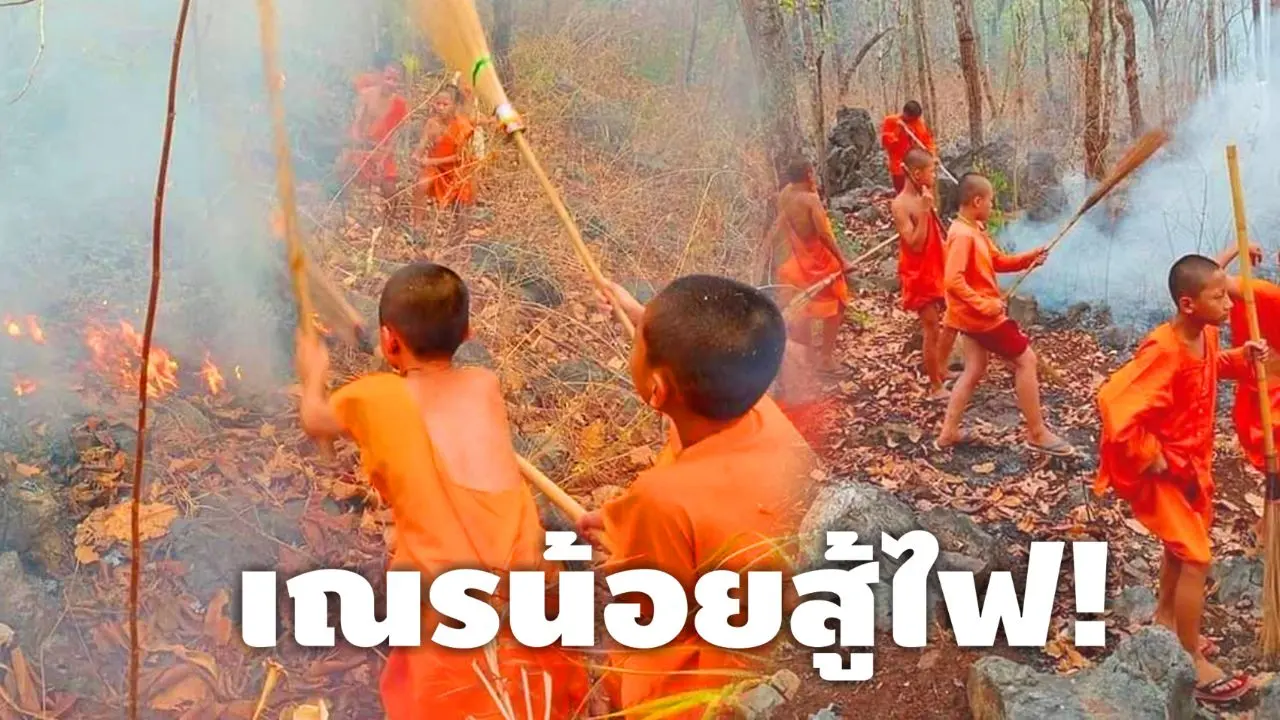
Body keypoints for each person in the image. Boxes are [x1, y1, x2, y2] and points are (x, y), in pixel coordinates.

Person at [295, 262, 590, 718]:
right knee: (524, 687)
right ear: (468, 333)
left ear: (389, 339)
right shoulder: (484, 384)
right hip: (526, 578)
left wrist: (313, 371)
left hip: (445, 594)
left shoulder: (372, 397)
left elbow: (315, 420)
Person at [580, 275, 814, 719]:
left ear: (658, 390)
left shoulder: (661, 499)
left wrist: (622, 539)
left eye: (638, 342)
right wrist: (644, 319)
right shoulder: (761, 414)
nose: (634, 338)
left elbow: (649, 609)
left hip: (697, 688)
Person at [1094, 254, 1268, 704]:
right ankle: (1191, 659)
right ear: (1188, 304)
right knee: (1196, 556)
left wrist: (1242, 358)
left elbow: (1211, 368)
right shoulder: (1163, 349)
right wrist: (1147, 453)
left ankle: (1167, 622)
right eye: (1219, 297)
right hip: (1163, 474)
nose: (1229, 304)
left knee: (1180, 547)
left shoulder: (1205, 334)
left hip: (1194, 466)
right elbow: (1113, 401)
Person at [935, 173, 1073, 455]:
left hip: (971, 317)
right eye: (990, 201)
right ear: (977, 201)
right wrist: (983, 305)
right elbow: (952, 280)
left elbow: (997, 261)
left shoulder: (974, 229)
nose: (992, 206)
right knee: (1026, 360)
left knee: (974, 369)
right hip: (980, 318)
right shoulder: (962, 235)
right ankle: (1037, 432)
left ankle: (948, 432)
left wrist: (1029, 259)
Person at [769, 158, 851, 373]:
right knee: (838, 301)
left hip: (795, 258)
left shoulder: (785, 193)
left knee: (803, 305)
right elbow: (824, 234)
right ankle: (825, 358)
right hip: (816, 259)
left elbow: (781, 224)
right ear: (808, 174)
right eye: (812, 173)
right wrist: (843, 261)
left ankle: (806, 355)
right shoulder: (810, 200)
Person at [890, 148, 955, 400]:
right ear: (917, 174)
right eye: (931, 171)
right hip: (918, 274)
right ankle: (935, 386)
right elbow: (915, 244)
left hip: (937, 267)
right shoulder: (900, 204)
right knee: (931, 328)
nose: (934, 175)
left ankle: (942, 369)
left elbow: (934, 236)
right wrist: (926, 211)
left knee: (952, 320)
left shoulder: (924, 195)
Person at [413, 85, 477, 226]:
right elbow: (423, 143)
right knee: (421, 184)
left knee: (461, 203)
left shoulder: (463, 126)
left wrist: (431, 161)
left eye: (445, 104)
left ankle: (458, 235)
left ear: (454, 106)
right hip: (436, 168)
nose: (440, 108)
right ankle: (416, 228)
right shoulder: (432, 123)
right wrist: (416, 155)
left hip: (458, 170)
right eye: (438, 103)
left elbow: (459, 157)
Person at [344, 63, 409, 198]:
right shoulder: (366, 95)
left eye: (395, 80)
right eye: (388, 78)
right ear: (381, 77)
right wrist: (359, 145)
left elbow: (394, 138)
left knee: (390, 190)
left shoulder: (400, 105)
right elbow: (356, 124)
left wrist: (382, 158)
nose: (390, 83)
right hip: (361, 149)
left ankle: (391, 211)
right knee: (346, 174)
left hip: (383, 152)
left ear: (400, 83)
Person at [881, 101, 937, 194]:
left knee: (920, 193)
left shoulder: (919, 125)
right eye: (911, 119)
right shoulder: (890, 121)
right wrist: (899, 131)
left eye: (915, 119)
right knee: (902, 192)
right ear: (904, 113)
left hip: (916, 167)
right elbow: (886, 143)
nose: (913, 122)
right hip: (898, 167)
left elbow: (928, 142)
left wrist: (932, 155)